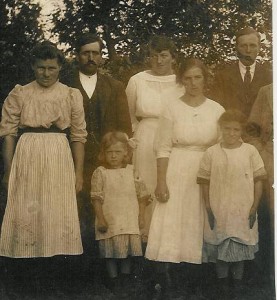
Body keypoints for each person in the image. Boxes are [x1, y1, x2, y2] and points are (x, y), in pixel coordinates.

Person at [0, 42, 87, 296]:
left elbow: (79, 136)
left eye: (51, 68)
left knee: (55, 214)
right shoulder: (21, 93)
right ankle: (27, 280)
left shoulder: (70, 94)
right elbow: (8, 133)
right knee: (28, 212)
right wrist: (9, 169)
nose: (46, 73)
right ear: (33, 67)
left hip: (58, 154)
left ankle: (55, 279)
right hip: (28, 153)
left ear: (60, 67)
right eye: (41, 68)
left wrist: (78, 172)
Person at [145, 58, 225, 297]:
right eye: (187, 78)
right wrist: (161, 181)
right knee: (175, 223)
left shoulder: (216, 109)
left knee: (200, 220)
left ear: (205, 79)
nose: (193, 83)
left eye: (197, 77)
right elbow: (162, 147)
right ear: (181, 81)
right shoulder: (172, 108)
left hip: (205, 170)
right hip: (177, 169)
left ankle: (199, 279)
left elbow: (221, 147)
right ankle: (172, 280)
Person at [61, 32, 132, 271]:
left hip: (107, 161)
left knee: (107, 210)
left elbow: (124, 128)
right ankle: (77, 265)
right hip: (71, 158)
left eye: (95, 53)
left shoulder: (115, 86)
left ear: (101, 57)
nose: (91, 57)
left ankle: (106, 266)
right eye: (85, 53)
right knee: (74, 209)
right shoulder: (63, 84)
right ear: (77, 55)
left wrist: (119, 158)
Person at [197, 110, 266, 299]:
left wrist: (254, 206)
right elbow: (204, 181)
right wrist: (209, 207)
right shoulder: (212, 152)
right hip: (220, 207)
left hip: (242, 207)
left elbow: (258, 180)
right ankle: (222, 288)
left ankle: (237, 287)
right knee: (221, 247)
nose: (232, 134)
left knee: (239, 249)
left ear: (242, 131)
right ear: (221, 129)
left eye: (236, 130)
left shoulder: (250, 152)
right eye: (227, 129)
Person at [125, 35, 183, 242]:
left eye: (164, 56)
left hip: (172, 141)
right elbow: (129, 116)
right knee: (146, 186)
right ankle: (143, 240)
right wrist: (135, 140)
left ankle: (167, 242)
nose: (159, 61)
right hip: (145, 140)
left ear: (173, 57)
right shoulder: (137, 81)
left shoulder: (181, 82)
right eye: (154, 56)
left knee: (169, 185)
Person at [90, 131, 150, 294]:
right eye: (109, 152)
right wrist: (101, 219)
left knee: (126, 252)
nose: (114, 156)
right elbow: (96, 198)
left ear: (126, 153)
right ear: (104, 154)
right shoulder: (100, 172)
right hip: (110, 219)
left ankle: (125, 279)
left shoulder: (132, 171)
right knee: (110, 253)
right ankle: (113, 280)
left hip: (129, 218)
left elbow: (143, 196)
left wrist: (141, 216)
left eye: (118, 152)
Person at [209, 27, 272, 117]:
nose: (248, 50)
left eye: (252, 45)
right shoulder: (222, 76)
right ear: (236, 48)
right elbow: (217, 110)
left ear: (259, 48)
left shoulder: (270, 76)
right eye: (243, 46)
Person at [247, 83, 274, 282]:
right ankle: (271, 270)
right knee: (272, 213)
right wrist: (262, 149)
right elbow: (252, 128)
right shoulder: (266, 91)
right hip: (272, 156)